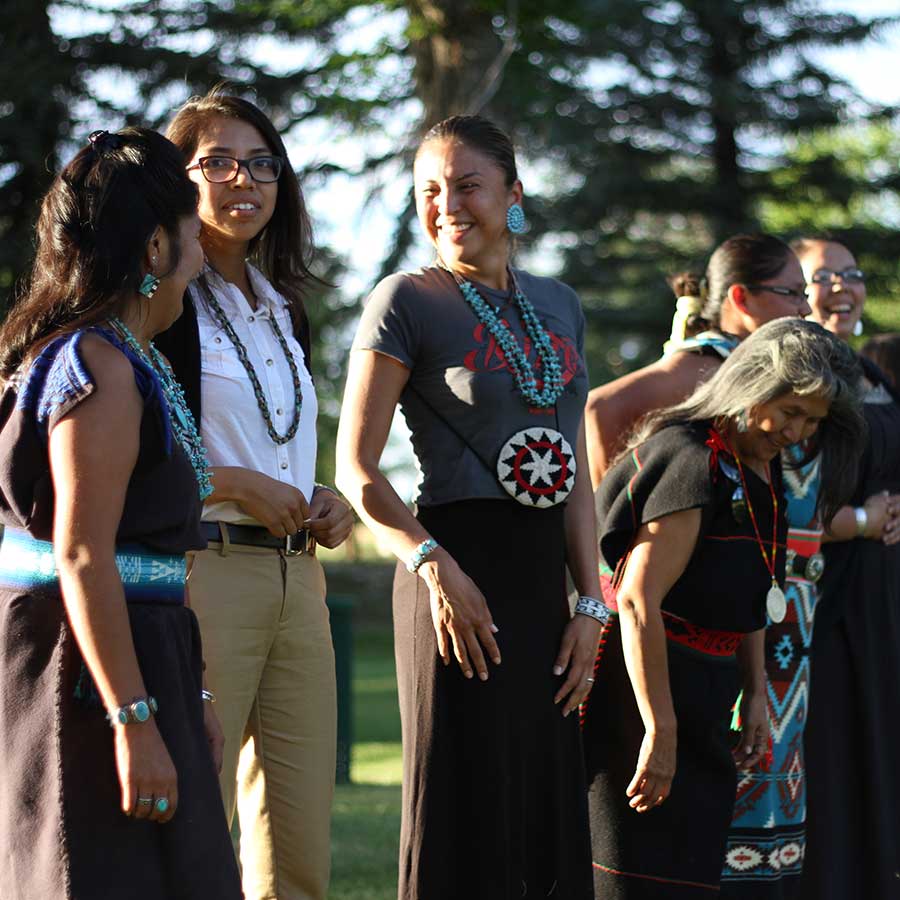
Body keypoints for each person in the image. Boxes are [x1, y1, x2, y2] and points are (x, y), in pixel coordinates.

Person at [335, 114, 599, 899]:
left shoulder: (560, 303)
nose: (446, 203)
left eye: (467, 185)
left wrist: (590, 601)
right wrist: (435, 567)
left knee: (544, 805)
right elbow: (357, 470)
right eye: (428, 190)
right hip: (451, 570)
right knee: (462, 803)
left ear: (514, 197)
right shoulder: (404, 300)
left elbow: (577, 468)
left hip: (544, 583)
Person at [0, 128, 241, 899]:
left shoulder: (120, 356)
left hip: (140, 654)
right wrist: (131, 720)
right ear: (152, 250)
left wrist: (189, 693)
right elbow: (81, 554)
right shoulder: (96, 366)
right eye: (190, 233)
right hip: (88, 672)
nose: (201, 253)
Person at [153, 90, 354, 900]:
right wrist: (234, 484)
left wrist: (324, 493)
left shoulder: (285, 310)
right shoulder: (161, 302)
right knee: (196, 820)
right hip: (207, 574)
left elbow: (279, 440)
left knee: (299, 836)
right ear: (180, 178)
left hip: (299, 581)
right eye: (220, 162)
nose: (246, 178)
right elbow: (125, 459)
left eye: (263, 162)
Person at [583, 318, 863, 899]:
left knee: (688, 875)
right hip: (643, 693)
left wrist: (755, 691)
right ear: (752, 384)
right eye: (790, 411)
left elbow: (757, 586)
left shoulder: (761, 469)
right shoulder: (691, 460)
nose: (797, 431)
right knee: (634, 877)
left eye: (812, 421)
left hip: (705, 695)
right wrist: (660, 730)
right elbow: (637, 601)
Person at [793, 238, 900, 900]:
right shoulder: (802, 383)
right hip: (823, 604)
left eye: (851, 275)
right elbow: (783, 506)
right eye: (821, 277)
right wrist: (861, 521)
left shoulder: (874, 375)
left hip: (885, 598)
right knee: (835, 758)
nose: (841, 287)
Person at [585, 234, 811, 488]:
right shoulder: (704, 365)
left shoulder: (738, 365)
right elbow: (600, 406)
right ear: (741, 298)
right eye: (793, 293)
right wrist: (614, 508)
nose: (806, 309)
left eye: (805, 295)